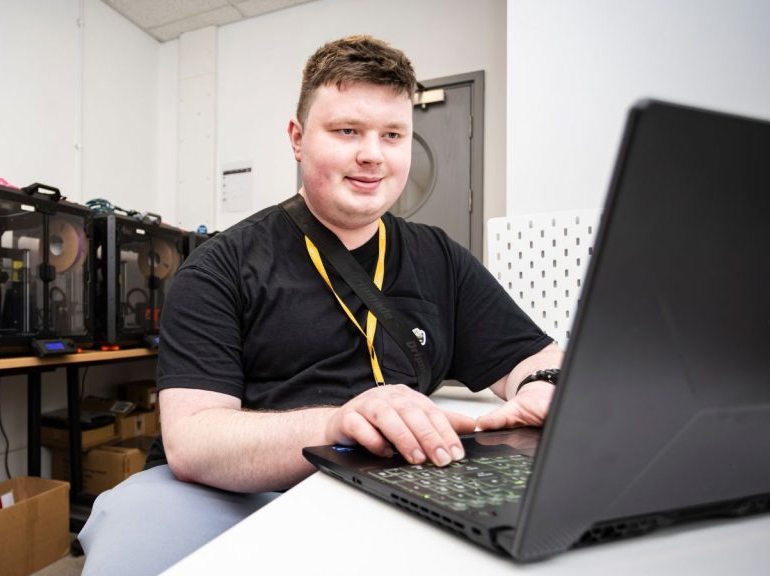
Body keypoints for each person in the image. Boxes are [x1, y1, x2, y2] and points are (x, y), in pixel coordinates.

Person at [78, 35, 562, 575]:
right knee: (133, 526)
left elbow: (537, 356)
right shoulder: (219, 266)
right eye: (347, 131)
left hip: (394, 484)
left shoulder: (440, 258)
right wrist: (338, 425)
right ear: (298, 138)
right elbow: (194, 440)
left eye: (393, 135)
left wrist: (544, 384)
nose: (372, 154)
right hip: (247, 493)